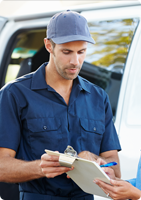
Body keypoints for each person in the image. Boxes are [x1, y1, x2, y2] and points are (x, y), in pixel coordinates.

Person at [0, 10, 121, 200]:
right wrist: (39, 167)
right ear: (49, 45)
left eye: (81, 52)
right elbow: (1, 166)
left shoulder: (99, 97)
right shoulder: (14, 94)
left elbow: (114, 167)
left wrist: (94, 159)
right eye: (67, 52)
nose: (75, 61)